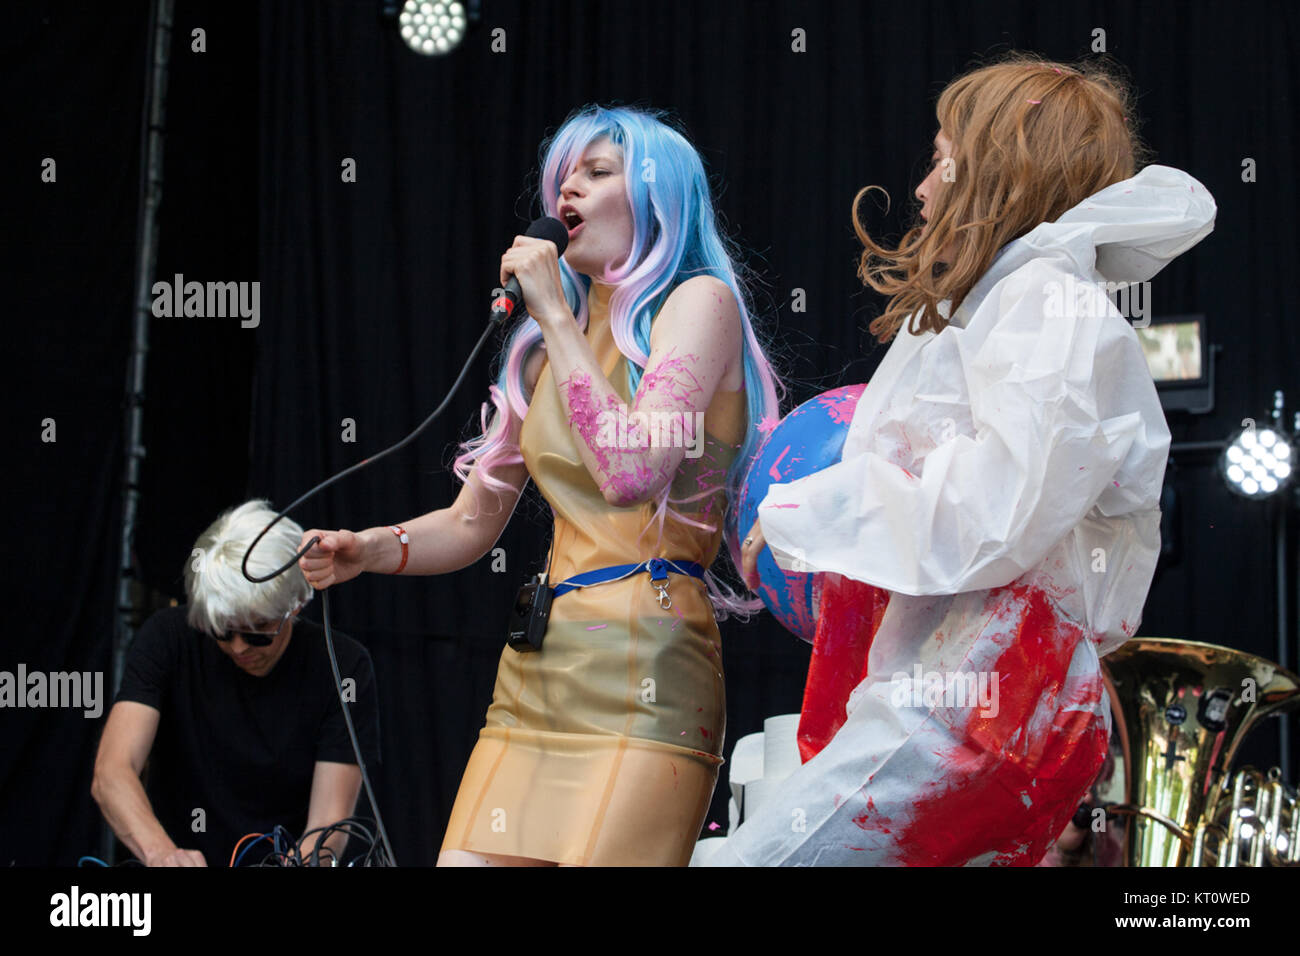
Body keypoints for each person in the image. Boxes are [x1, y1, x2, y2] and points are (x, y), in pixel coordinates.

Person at [724, 55, 1216, 866]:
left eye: (940, 155)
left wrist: (802, 514)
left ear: (997, 171)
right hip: (981, 691)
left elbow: (994, 515)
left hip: (980, 693)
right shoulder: (1013, 305)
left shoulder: (1045, 304)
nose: (922, 188)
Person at [298, 105, 781, 866]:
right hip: (536, 678)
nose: (568, 193)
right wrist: (371, 547)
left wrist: (553, 311)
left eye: (597, 173)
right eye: (564, 176)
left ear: (659, 194)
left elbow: (633, 471)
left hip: (646, 669)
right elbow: (470, 524)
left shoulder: (697, 304)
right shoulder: (538, 354)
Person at [92, 500, 381, 866]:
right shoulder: (167, 638)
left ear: (295, 605)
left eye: (258, 631)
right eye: (221, 631)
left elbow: (329, 825)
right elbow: (112, 772)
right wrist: (162, 854)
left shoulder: (344, 666)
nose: (239, 647)